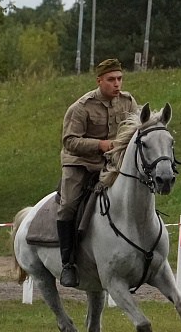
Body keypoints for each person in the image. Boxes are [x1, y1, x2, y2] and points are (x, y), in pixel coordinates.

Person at [57, 58, 139, 287]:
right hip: (80, 163)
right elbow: (69, 141)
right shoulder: (81, 107)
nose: (117, 84)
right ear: (99, 81)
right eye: (111, 80)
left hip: (112, 163)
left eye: (120, 79)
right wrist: (100, 145)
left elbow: (136, 131)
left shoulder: (129, 102)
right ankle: (67, 264)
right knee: (69, 205)